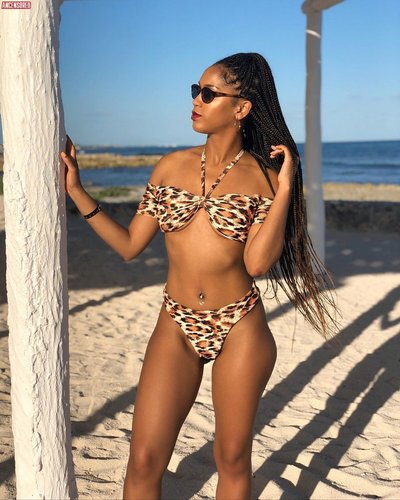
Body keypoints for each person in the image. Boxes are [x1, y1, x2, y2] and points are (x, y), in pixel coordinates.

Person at [60, 52, 339, 500]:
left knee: (232, 458)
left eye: (208, 93)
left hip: (239, 325)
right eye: (196, 90)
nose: (196, 100)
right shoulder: (170, 166)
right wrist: (77, 190)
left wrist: (287, 187)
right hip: (176, 321)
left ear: (241, 108)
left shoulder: (265, 179)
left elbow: (257, 265)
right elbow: (130, 245)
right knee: (144, 460)